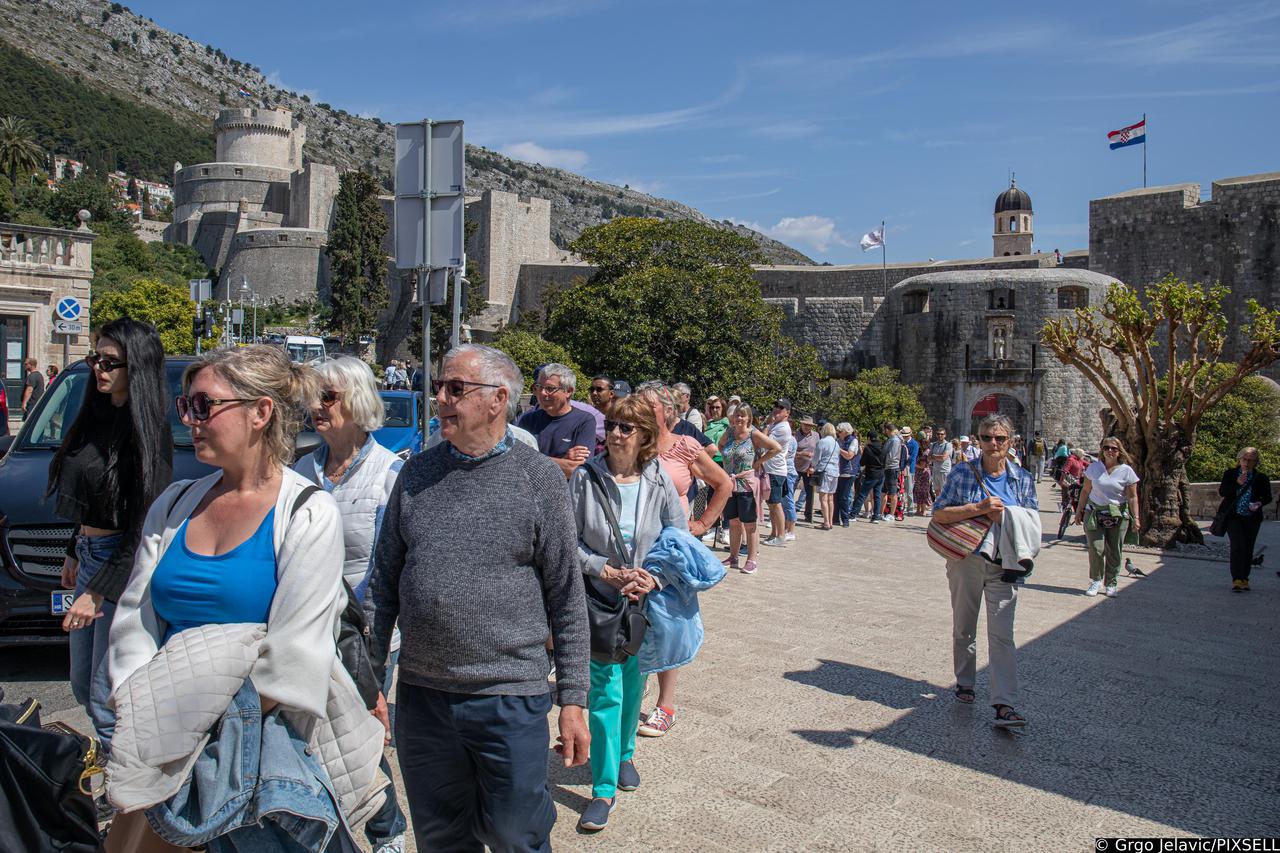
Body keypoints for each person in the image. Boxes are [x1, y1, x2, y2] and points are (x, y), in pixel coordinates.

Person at [105, 344, 375, 849]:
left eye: (204, 405)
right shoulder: (175, 503)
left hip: (242, 748)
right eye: (186, 406)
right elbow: (133, 623)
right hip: (159, 736)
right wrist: (141, 710)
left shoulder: (308, 514)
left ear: (260, 412)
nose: (191, 420)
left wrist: (195, 726)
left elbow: (295, 654)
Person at [370, 344, 590, 851]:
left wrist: (573, 700)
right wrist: (371, 681)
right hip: (424, 698)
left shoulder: (538, 480)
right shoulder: (416, 474)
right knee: (441, 836)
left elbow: (566, 596)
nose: (440, 398)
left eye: (455, 389)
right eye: (439, 388)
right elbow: (383, 587)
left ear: (498, 400)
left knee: (518, 835)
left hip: (508, 696)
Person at [294, 356, 406, 852]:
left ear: (357, 401)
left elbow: (387, 567)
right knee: (312, 739)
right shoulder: (300, 470)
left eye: (329, 397)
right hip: (306, 628)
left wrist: (359, 634)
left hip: (364, 633)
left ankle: (387, 831)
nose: (316, 407)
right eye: (313, 397)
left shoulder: (389, 473)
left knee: (357, 734)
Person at [48, 319, 172, 755]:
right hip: (89, 554)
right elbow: (87, 499)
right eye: (94, 358)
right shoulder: (94, 416)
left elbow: (142, 524)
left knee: (107, 695)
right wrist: (72, 549)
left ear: (135, 366)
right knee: (82, 684)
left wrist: (98, 591)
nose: (98, 369)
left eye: (109, 362)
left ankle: (124, 798)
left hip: (120, 564)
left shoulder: (146, 434)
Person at [569, 394, 683, 831]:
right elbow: (568, 541)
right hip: (600, 600)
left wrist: (651, 577)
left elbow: (676, 539)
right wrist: (605, 570)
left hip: (644, 600)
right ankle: (602, 788)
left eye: (625, 427)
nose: (615, 434)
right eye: (611, 425)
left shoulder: (658, 481)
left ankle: (626, 753)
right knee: (605, 691)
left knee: (636, 680)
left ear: (644, 437)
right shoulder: (585, 478)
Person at [633, 382, 730, 739]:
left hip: (669, 551)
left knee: (669, 623)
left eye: (648, 406)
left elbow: (724, 484)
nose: (640, 411)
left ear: (666, 410)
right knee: (634, 618)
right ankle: (635, 687)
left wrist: (702, 524)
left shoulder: (684, 446)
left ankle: (666, 705)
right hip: (634, 547)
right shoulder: (630, 443)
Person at [932, 413, 1038, 728]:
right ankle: (965, 680)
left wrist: (1006, 517)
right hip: (967, 559)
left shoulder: (1022, 479)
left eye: (1000, 438)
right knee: (964, 627)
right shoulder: (963, 474)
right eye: (987, 437)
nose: (994, 444)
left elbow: (1032, 523)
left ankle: (1004, 703)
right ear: (978, 441)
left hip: (1005, 564)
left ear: (1011, 442)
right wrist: (978, 509)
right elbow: (939, 514)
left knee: (1003, 635)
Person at [717, 403, 780, 574]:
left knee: (750, 523)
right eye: (737, 415)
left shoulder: (753, 434)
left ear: (749, 418)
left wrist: (758, 462)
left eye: (743, 415)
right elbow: (720, 445)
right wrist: (726, 461)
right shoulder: (730, 432)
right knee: (734, 522)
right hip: (731, 484)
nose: (739, 418)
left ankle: (752, 560)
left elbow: (776, 447)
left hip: (746, 484)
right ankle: (733, 556)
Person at [1074, 437, 1140, 598]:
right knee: (1096, 548)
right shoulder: (1094, 468)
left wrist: (1136, 517)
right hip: (1095, 513)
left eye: (1113, 448)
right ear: (1102, 450)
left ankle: (1111, 582)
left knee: (1114, 550)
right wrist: (1079, 510)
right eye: (1106, 448)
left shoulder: (1127, 471)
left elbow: (1132, 497)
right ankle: (1096, 580)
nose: (1110, 451)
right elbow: (1085, 490)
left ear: (1119, 451)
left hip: (1118, 514)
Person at [517, 362, 597, 478]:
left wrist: (532, 459)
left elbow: (577, 470)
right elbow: (517, 462)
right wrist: (564, 459)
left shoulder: (584, 421)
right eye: (539, 387)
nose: (543, 393)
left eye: (550, 388)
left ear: (568, 391)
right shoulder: (528, 419)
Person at [1217, 447, 1272, 592]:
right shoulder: (1230, 474)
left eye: (1251, 461)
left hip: (1252, 518)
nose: (1247, 463)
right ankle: (1236, 578)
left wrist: (1259, 503)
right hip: (1233, 516)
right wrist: (1237, 484)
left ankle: (1244, 578)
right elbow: (1223, 492)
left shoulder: (1261, 478)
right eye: (1244, 459)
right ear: (1239, 459)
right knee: (1237, 546)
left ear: (1256, 462)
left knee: (1248, 548)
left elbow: (1267, 497)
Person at [810, 423, 840, 530]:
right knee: (831, 498)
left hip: (824, 471)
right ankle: (830, 521)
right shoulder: (837, 444)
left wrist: (813, 466)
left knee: (823, 497)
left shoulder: (822, 442)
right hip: (835, 472)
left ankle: (826, 522)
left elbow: (816, 459)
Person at [852, 431, 886, 523]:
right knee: (877, 495)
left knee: (862, 494)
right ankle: (875, 516)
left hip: (871, 473)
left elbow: (862, 462)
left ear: (869, 438)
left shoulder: (868, 449)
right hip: (881, 474)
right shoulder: (883, 447)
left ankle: (853, 514)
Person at [793, 415, 819, 524]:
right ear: (801, 424)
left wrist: (813, 465)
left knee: (810, 493)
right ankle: (788, 512)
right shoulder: (795, 435)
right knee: (791, 490)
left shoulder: (816, 436)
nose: (807, 427)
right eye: (805, 425)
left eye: (809, 425)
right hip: (795, 467)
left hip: (809, 468)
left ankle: (808, 515)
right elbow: (790, 452)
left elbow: (818, 452)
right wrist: (802, 453)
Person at [834, 423, 859, 527]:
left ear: (845, 432)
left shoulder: (853, 440)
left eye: (840, 431)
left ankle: (845, 520)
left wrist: (838, 449)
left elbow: (849, 455)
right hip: (837, 471)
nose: (838, 433)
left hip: (849, 472)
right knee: (836, 496)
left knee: (844, 497)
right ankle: (835, 518)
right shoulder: (838, 440)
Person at [902, 427, 920, 514]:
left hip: (909, 468)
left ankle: (910, 509)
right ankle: (901, 507)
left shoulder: (914, 444)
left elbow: (913, 457)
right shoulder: (902, 443)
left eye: (906, 436)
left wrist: (905, 458)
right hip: (902, 467)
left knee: (909, 490)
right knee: (901, 489)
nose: (904, 437)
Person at [930, 427, 953, 496]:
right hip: (935, 470)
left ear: (945, 435)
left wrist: (933, 456)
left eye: (942, 434)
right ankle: (939, 506)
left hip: (944, 471)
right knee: (937, 491)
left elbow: (943, 457)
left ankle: (946, 506)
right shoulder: (934, 445)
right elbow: (928, 458)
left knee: (945, 491)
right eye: (938, 434)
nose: (940, 435)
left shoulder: (948, 445)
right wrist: (937, 457)